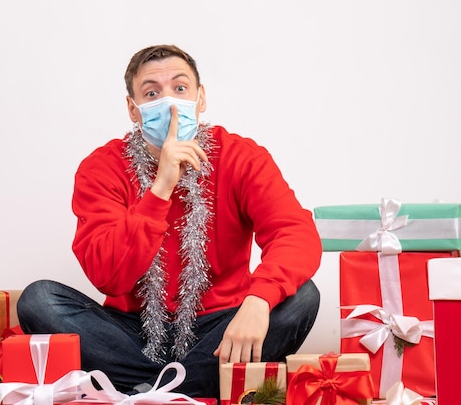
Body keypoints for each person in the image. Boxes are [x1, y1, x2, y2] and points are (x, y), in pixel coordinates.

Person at [17, 44, 322, 399]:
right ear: (133, 109)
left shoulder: (241, 156)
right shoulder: (101, 167)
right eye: (151, 92)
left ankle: (146, 390)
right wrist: (161, 187)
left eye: (180, 88)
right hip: (131, 333)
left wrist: (259, 301)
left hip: (221, 328)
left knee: (302, 296)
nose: (170, 102)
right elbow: (107, 275)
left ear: (200, 98)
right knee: (38, 300)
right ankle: (185, 388)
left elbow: (295, 233)